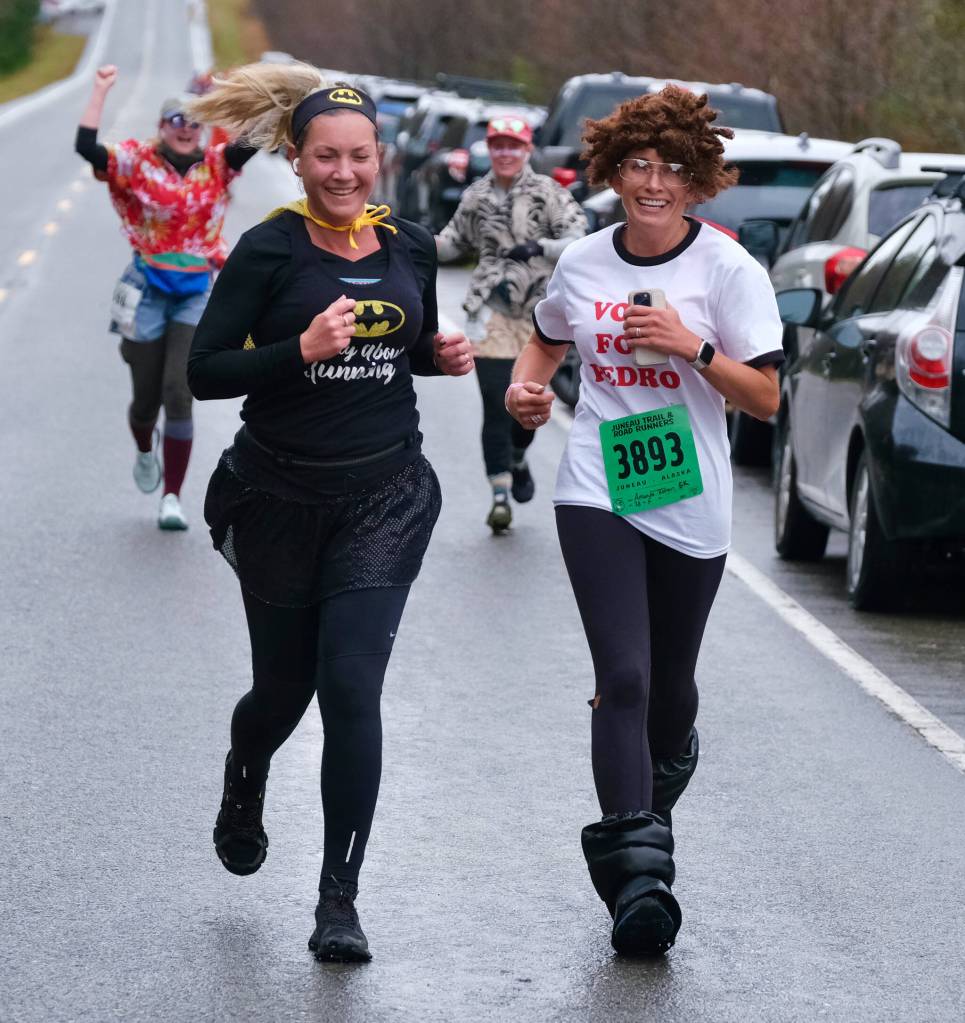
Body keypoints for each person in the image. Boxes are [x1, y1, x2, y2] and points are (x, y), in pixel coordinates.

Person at [186, 63, 474, 964]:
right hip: (277, 494)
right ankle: (245, 776)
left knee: (351, 687)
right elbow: (205, 372)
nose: (343, 173)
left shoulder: (411, 245)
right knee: (283, 692)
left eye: (357, 157)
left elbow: (406, 348)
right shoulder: (270, 249)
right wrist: (295, 348)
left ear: (378, 158)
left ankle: (337, 899)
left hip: (382, 495)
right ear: (298, 159)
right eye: (324, 158)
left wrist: (442, 354)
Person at [507, 85, 782, 955]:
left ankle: (659, 772)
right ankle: (639, 881)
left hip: (688, 499)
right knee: (621, 677)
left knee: (667, 694)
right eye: (636, 165)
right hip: (598, 486)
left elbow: (768, 399)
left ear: (696, 179)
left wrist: (692, 348)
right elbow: (548, 337)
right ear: (612, 172)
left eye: (669, 167)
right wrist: (524, 386)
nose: (651, 182)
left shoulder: (728, 271)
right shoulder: (584, 261)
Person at [75, 65, 256, 529]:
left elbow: (251, 141)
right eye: (177, 121)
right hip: (147, 289)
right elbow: (86, 147)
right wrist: (99, 90)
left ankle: (172, 497)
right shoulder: (136, 161)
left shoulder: (216, 164)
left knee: (180, 391)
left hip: (195, 292)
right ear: (161, 127)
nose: (186, 130)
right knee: (145, 402)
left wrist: (239, 96)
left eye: (195, 123)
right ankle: (143, 447)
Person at [436, 116, 586, 533]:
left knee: (526, 408)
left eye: (513, 146)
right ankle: (499, 493)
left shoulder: (548, 193)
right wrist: (409, 242)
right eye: (498, 145)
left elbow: (579, 240)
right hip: (490, 309)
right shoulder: (477, 196)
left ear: (526, 150)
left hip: (541, 314)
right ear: (490, 148)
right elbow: (451, 243)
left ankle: (519, 458)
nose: (505, 153)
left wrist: (541, 246)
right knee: (495, 402)